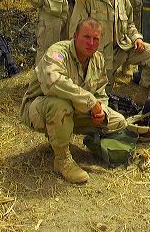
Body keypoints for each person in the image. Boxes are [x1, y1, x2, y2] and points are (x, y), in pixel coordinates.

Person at [19, 18, 127, 183]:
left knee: (118, 121)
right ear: (74, 36)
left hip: (74, 110)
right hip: (38, 109)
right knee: (60, 105)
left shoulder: (98, 60)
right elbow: (52, 82)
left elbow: (101, 93)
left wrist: (101, 112)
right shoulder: (57, 52)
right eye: (86, 37)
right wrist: (90, 101)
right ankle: (62, 160)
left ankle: (74, 136)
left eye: (95, 39)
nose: (91, 43)